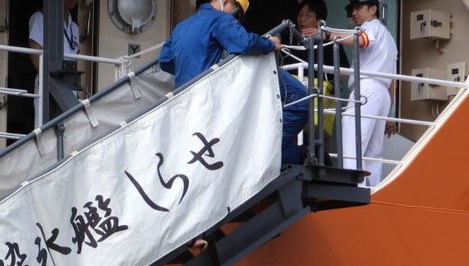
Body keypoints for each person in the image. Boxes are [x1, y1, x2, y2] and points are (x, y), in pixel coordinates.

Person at [158, 0, 305, 165]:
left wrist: (190, 69)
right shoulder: (219, 19)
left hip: (184, 101)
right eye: (237, 12)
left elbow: (165, 60)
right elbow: (244, 42)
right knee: (300, 98)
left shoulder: (181, 26)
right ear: (226, 2)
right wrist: (269, 43)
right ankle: (265, 152)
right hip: (209, 98)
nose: (235, 19)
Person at [335, 0, 396, 185]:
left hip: (367, 88)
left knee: (352, 139)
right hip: (383, 93)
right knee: (373, 152)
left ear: (373, 9)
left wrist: (330, 36)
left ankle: (352, 187)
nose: (354, 12)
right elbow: (393, 81)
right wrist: (389, 115)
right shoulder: (389, 38)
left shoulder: (370, 26)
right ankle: (372, 191)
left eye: (358, 8)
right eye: (352, 9)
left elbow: (361, 41)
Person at [29, 0, 82, 94]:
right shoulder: (41, 17)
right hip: (48, 84)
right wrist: (48, 80)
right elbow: (35, 51)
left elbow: (75, 56)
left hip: (69, 85)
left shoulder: (74, 27)